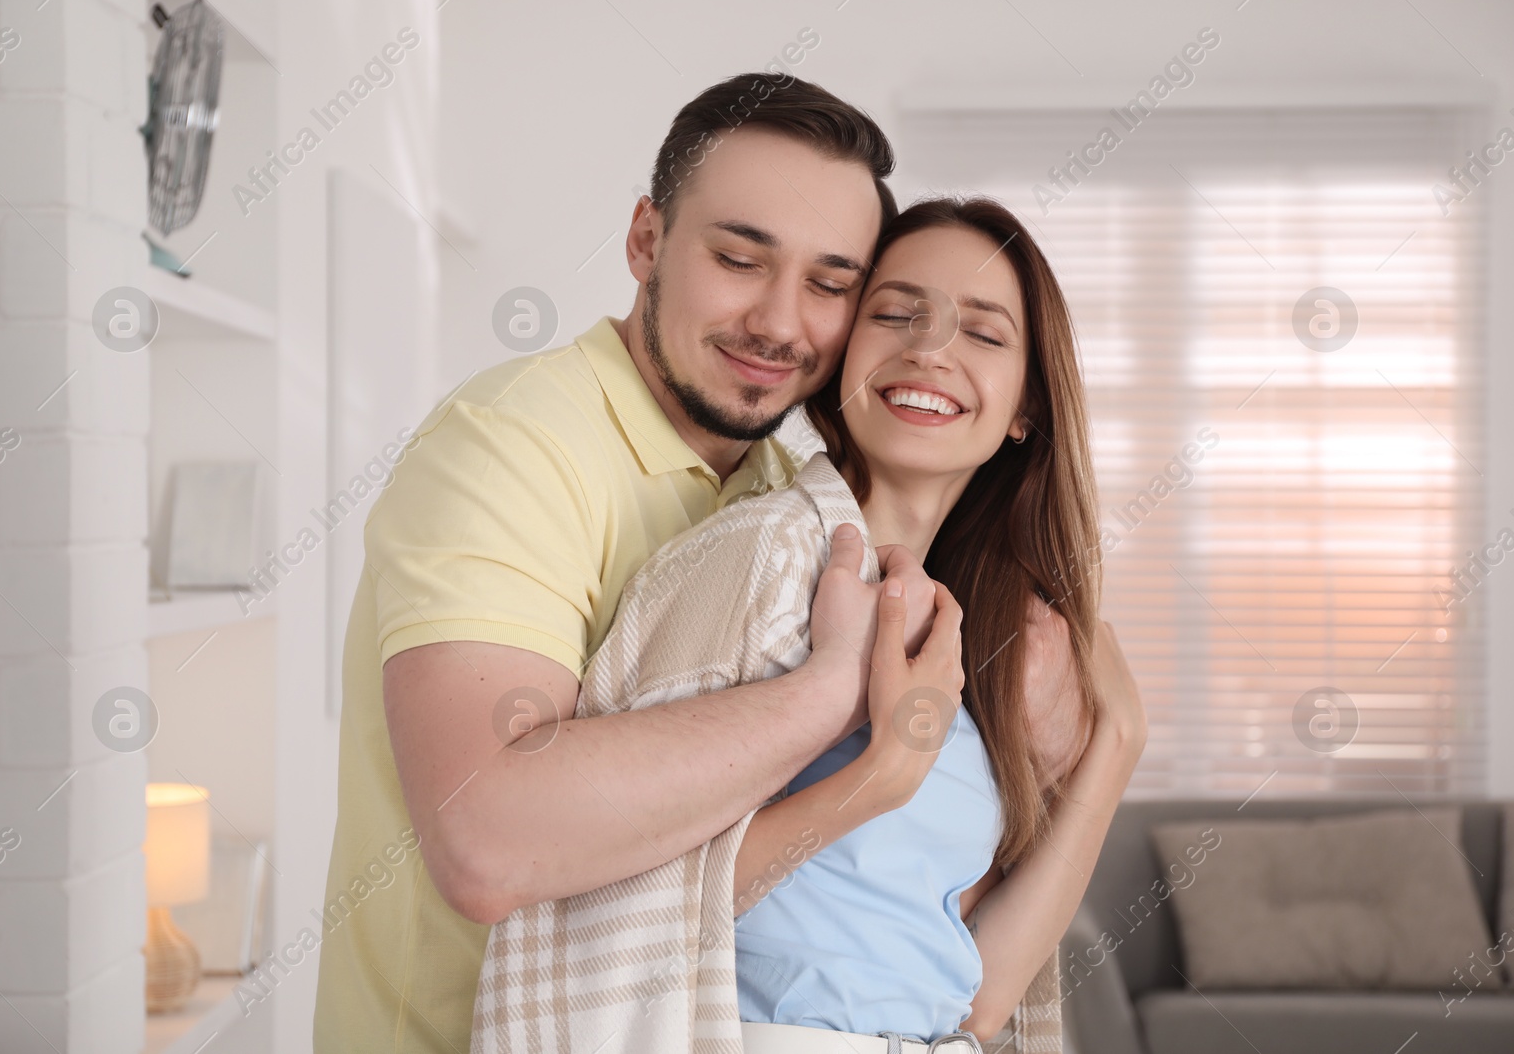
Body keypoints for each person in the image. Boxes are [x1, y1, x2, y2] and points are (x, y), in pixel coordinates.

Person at [314, 73, 1069, 1053]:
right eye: (738, 257)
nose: (779, 322)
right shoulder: (512, 444)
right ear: (645, 240)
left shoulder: (782, 495)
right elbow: (487, 841)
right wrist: (835, 701)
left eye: (832, 284)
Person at [473, 196, 1147, 1053]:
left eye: (982, 333)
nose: (929, 349)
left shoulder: (955, 647)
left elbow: (978, 996)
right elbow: (608, 904)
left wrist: (1117, 745)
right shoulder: (766, 559)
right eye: (896, 313)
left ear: (1026, 411)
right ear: (841, 362)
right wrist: (878, 776)